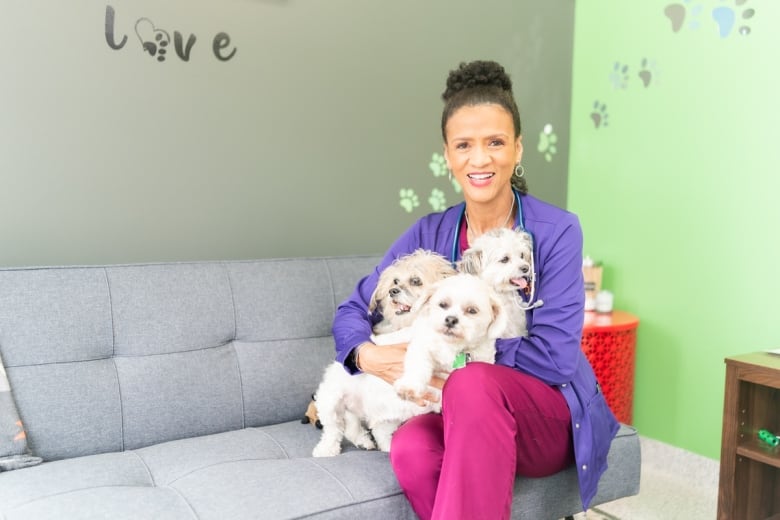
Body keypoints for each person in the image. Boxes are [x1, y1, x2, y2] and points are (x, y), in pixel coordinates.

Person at [332, 60, 619, 520]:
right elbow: (353, 308)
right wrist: (369, 357)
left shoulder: (557, 232)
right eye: (464, 145)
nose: (480, 159)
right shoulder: (429, 235)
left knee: (471, 383)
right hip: (457, 411)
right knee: (410, 449)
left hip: (545, 418)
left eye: (495, 143)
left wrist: (461, 355)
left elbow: (557, 358)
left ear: (518, 148)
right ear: (448, 155)